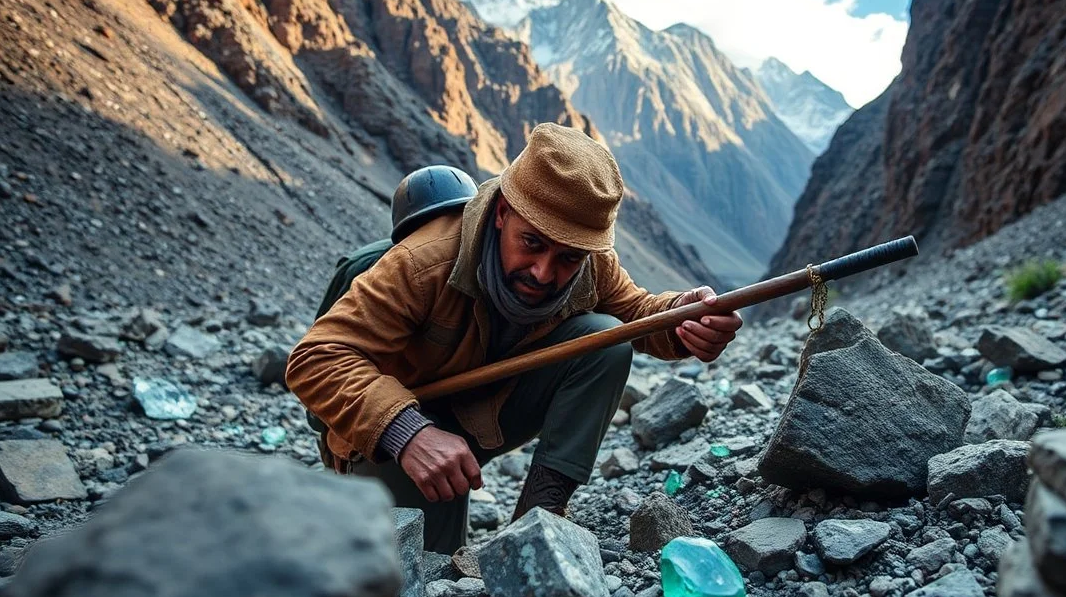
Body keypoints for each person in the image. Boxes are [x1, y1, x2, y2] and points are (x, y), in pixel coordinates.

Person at [286, 123, 742, 553]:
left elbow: (636, 314)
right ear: (503, 212)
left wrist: (686, 319)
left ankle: (538, 522)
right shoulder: (422, 263)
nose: (545, 272)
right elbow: (316, 358)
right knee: (425, 574)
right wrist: (410, 435)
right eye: (533, 244)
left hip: (484, 412)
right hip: (394, 428)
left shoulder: (589, 262)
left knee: (606, 340)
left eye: (568, 256)